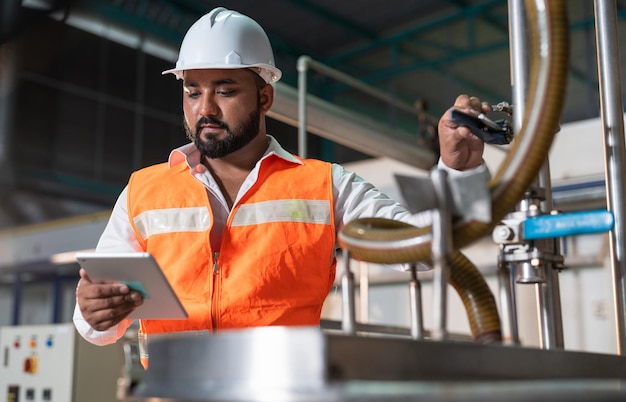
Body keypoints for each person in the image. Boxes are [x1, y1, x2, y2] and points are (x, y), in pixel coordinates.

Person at [73, 7, 489, 364]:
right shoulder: (142, 192)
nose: (206, 108)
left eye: (226, 90)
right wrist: (91, 313)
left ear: (265, 98)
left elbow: (424, 251)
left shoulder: (325, 186)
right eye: (193, 91)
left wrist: (458, 173)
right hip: (173, 401)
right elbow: (100, 324)